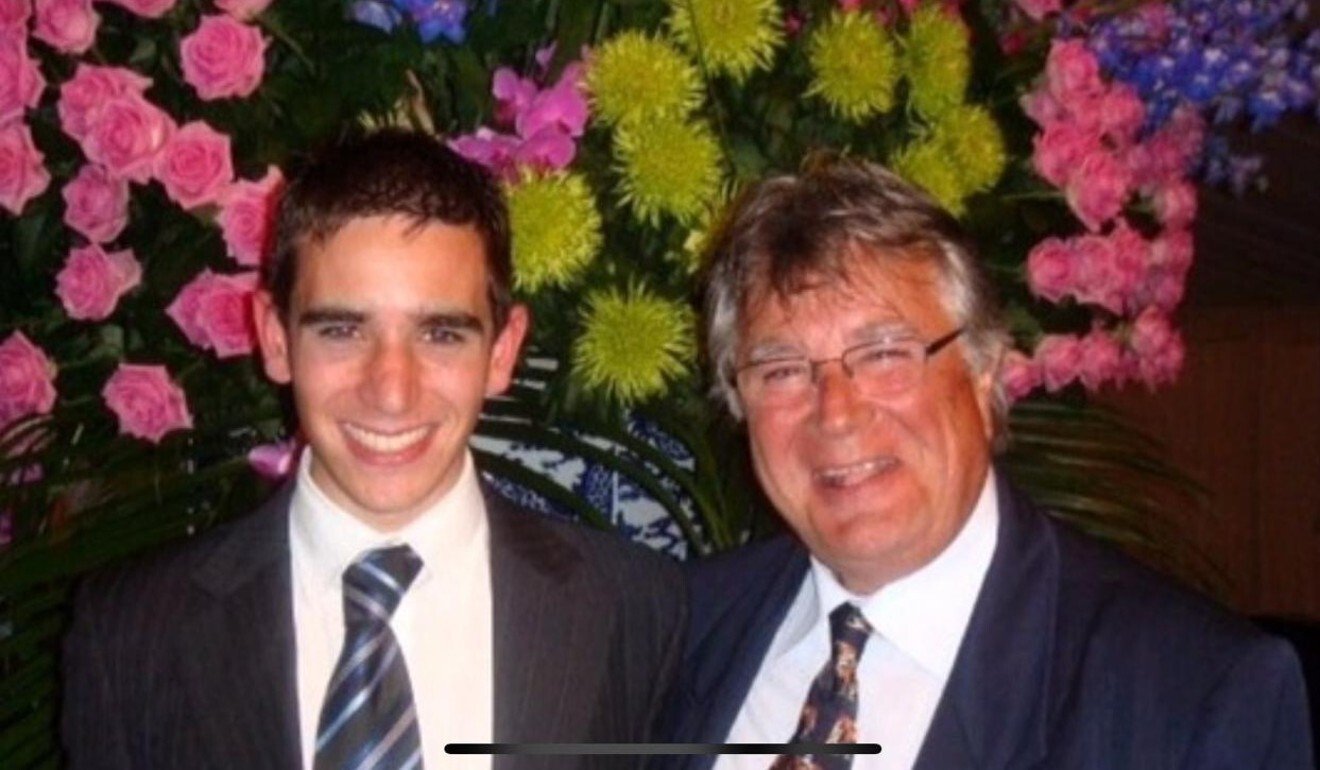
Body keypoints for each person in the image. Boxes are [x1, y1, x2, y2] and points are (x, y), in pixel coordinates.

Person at [654, 158, 1312, 769]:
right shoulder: (670, 630)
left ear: (985, 373)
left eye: (885, 354)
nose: (836, 413)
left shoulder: (1191, 696)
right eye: (782, 370)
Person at [62, 130, 686, 770]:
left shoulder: (637, 609)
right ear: (275, 338)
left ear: (502, 351)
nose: (391, 391)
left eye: (441, 334)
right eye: (342, 330)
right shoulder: (131, 631)